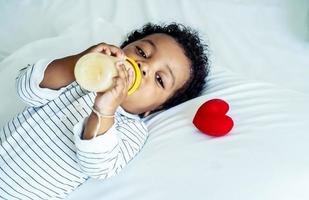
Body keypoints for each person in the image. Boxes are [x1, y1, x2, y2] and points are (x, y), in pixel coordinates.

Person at [0, 23, 209, 199]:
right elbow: (25, 87)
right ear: (121, 49)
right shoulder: (80, 79)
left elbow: (100, 165)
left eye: (159, 79)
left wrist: (105, 110)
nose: (144, 66)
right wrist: (78, 61)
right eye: (142, 52)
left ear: (153, 109)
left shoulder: (131, 129)